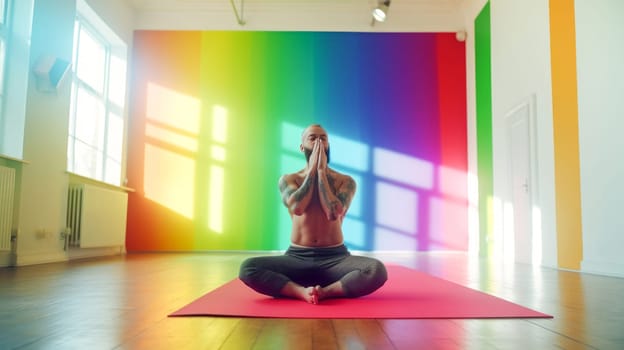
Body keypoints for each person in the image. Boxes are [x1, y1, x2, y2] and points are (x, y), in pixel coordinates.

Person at [239, 124, 387, 304]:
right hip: (296, 258)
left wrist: (321, 172)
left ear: (328, 145)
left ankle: (326, 292)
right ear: (302, 147)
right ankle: (300, 292)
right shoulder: (289, 179)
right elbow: (297, 208)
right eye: (313, 138)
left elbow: (333, 213)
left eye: (323, 138)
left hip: (336, 259)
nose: (318, 142)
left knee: (376, 270)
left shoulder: (345, 181)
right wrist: (312, 173)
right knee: (248, 268)